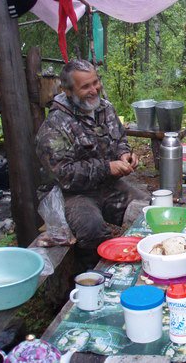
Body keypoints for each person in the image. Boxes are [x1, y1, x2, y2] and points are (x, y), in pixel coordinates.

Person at [36, 59, 148, 269]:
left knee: (148, 211)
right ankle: (92, 276)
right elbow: (64, 175)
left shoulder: (105, 109)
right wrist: (107, 167)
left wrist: (125, 155)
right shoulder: (55, 125)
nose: (94, 89)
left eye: (95, 82)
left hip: (107, 186)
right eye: (85, 86)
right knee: (92, 228)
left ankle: (144, 261)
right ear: (68, 91)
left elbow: (120, 139)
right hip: (71, 194)